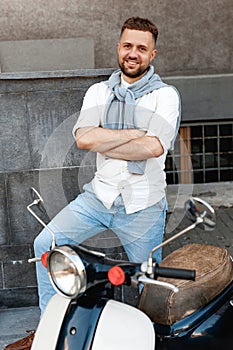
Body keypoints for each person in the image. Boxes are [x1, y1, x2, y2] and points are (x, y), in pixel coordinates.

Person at [4, 16, 180, 350]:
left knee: (149, 284)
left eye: (141, 48)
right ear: (118, 48)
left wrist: (105, 137)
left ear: (152, 55)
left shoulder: (165, 96)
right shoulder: (99, 91)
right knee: (46, 244)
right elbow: (83, 139)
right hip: (98, 199)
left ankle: (149, 340)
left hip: (143, 207)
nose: (133, 53)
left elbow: (155, 146)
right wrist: (134, 134)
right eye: (128, 46)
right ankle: (48, 328)